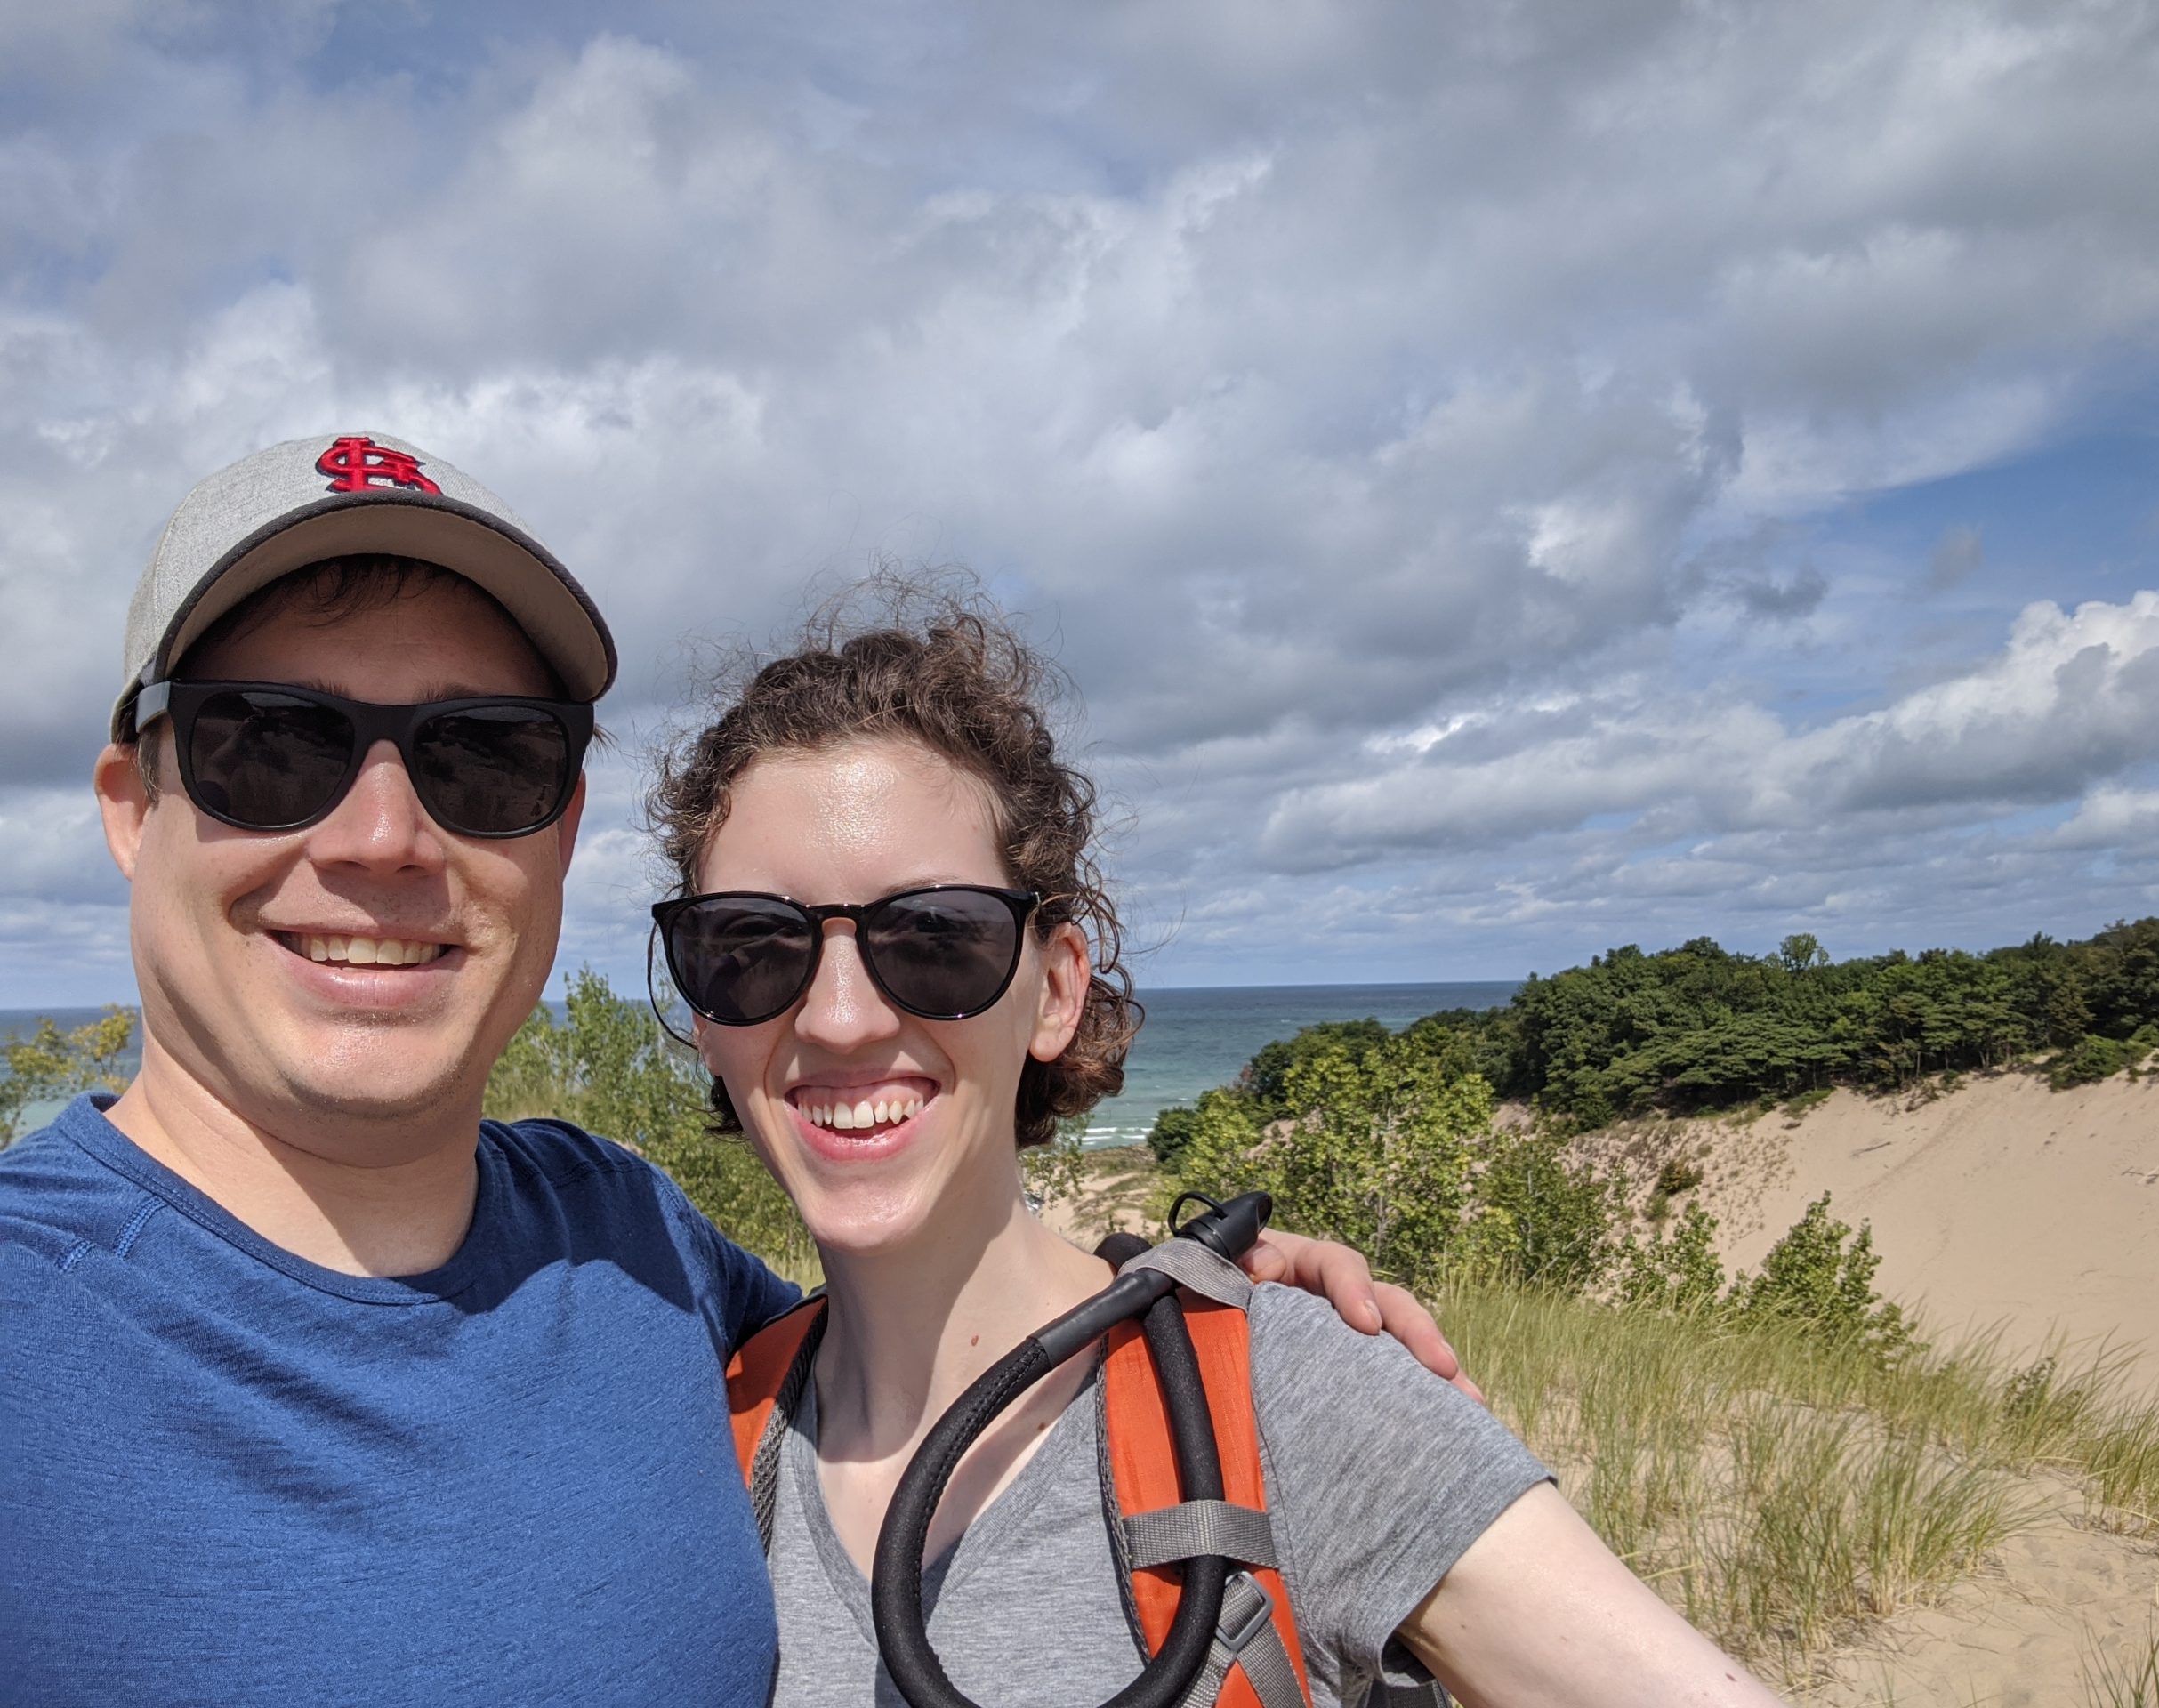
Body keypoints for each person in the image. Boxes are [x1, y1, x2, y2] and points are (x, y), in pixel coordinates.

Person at [0, 433, 1460, 1707]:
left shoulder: (633, 1248)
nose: (384, 837)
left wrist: (1189, 1309)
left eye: (482, 760)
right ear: (135, 807)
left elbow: (930, 1340)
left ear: (557, 831)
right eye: (271, 745)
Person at [649, 596, 1790, 1707]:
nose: (840, 1015)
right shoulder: (695, 1428)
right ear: (704, 1013)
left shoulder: (1289, 1397)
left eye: (935, 937)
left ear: (1053, 989)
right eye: (749, 944)